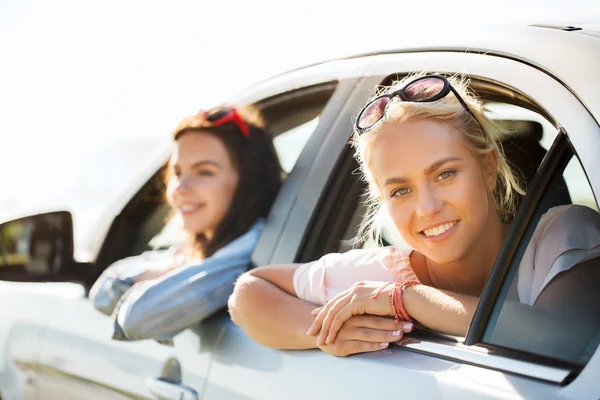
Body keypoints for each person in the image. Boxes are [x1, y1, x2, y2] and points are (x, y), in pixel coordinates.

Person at [228, 73, 600, 357]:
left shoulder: (562, 237)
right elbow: (248, 291)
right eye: (400, 190)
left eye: (445, 174)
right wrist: (325, 331)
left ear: (488, 168)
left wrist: (407, 299)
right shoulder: (376, 274)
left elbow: (562, 338)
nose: (426, 208)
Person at [90, 105, 282, 342]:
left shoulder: (247, 256)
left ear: (249, 182)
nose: (180, 188)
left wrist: (161, 273)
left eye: (204, 172)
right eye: (178, 172)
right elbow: (102, 292)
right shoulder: (195, 249)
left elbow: (135, 319)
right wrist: (169, 268)